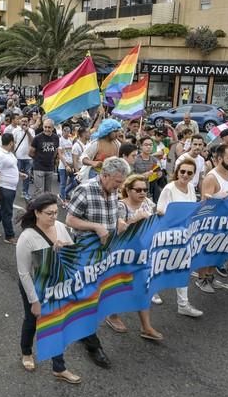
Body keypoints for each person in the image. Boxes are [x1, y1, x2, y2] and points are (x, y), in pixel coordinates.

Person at [66, 157, 133, 369]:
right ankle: (92, 344)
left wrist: (119, 223)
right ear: (104, 175)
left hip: (107, 250)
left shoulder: (113, 192)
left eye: (121, 182)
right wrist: (95, 227)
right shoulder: (84, 190)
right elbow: (70, 220)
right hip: (86, 250)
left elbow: (112, 216)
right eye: (116, 182)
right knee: (89, 295)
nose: (119, 187)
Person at [15, 193, 81, 384]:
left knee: (56, 323)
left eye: (56, 212)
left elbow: (73, 252)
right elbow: (24, 273)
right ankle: (26, 352)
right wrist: (34, 301)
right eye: (49, 213)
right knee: (32, 319)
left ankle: (59, 368)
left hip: (57, 283)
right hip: (34, 286)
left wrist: (66, 247)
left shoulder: (60, 227)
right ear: (37, 213)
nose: (54, 217)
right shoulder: (27, 237)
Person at [105, 174, 164, 337]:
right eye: (138, 190)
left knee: (143, 288)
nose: (143, 193)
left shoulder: (147, 203)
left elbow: (157, 214)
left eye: (145, 189)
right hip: (122, 254)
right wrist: (134, 219)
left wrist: (160, 213)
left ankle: (146, 327)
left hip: (142, 252)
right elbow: (118, 231)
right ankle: (112, 315)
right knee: (121, 287)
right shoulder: (120, 206)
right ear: (128, 190)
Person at [157, 159, 204, 317]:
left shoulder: (191, 187)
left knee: (183, 267)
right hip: (168, 234)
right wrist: (177, 215)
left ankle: (183, 304)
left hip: (185, 234)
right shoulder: (169, 189)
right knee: (161, 266)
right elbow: (159, 210)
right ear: (177, 171)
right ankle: (151, 291)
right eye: (182, 171)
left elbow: (193, 208)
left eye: (189, 172)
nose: (185, 175)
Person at [196, 144, 228, 293]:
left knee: (219, 252)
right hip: (212, 224)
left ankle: (210, 276)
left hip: (227, 222)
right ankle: (201, 278)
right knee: (208, 252)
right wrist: (221, 201)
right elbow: (204, 203)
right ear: (219, 158)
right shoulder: (211, 178)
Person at [0, 133, 20, 244]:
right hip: (5, 187)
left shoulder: (9, 154)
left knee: (4, 209)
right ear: (11, 143)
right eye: (14, 142)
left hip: (11, 187)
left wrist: (19, 174)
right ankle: (9, 236)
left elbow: (11, 168)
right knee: (7, 212)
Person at [30, 118, 60, 196]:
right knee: (39, 191)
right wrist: (38, 159)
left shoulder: (56, 138)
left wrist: (52, 159)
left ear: (53, 128)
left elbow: (56, 151)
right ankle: (37, 207)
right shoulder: (37, 138)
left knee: (48, 192)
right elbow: (30, 152)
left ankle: (46, 208)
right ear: (43, 127)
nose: (47, 129)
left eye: (49, 127)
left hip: (50, 167)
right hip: (38, 167)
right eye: (45, 127)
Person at [13, 116, 35, 200]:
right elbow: (13, 143)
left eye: (26, 121)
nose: (24, 123)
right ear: (19, 122)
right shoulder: (15, 131)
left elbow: (33, 142)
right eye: (22, 121)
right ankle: (14, 191)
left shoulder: (31, 131)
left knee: (27, 176)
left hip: (28, 157)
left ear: (28, 122)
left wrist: (27, 132)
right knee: (16, 175)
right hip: (18, 157)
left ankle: (25, 192)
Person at [57, 126, 74, 200]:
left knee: (74, 182)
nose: (67, 133)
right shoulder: (60, 140)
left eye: (68, 131)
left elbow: (72, 152)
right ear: (63, 131)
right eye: (65, 131)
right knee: (63, 183)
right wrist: (66, 165)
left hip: (71, 164)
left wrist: (72, 164)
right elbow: (60, 154)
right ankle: (63, 199)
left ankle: (64, 193)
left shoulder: (70, 140)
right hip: (63, 165)